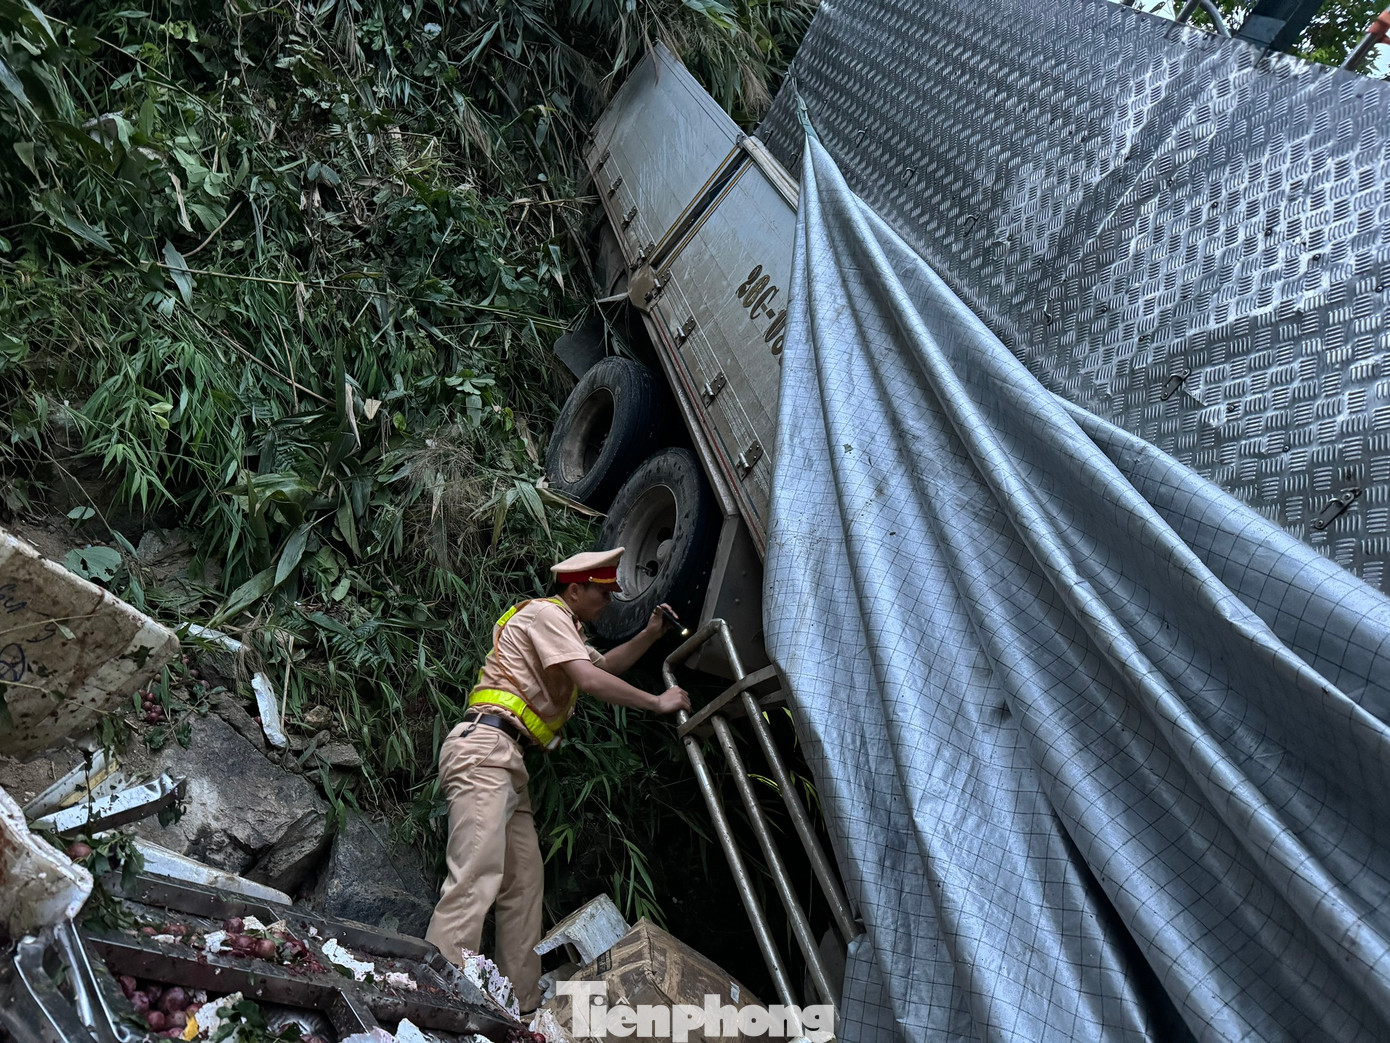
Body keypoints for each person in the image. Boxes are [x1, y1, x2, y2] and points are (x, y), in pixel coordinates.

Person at [424, 546, 692, 1012]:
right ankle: (434, 996)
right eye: (604, 593)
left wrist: (650, 634)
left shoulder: (567, 629)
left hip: (509, 762)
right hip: (485, 749)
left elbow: (602, 666)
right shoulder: (547, 613)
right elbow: (589, 682)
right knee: (474, 878)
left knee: (524, 887)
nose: (609, 602)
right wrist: (656, 702)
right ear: (575, 589)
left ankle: (521, 1006)